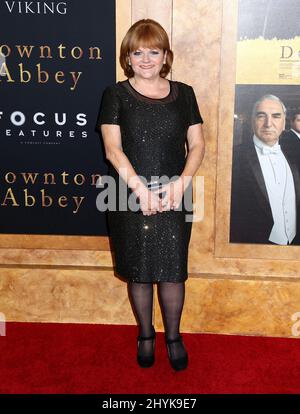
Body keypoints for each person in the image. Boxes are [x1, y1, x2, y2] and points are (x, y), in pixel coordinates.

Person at [97, 19, 205, 371]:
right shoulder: (115, 94)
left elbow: (198, 144)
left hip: (176, 193)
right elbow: (113, 150)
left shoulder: (184, 93)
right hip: (128, 194)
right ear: (127, 57)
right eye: (137, 52)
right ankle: (146, 335)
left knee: (173, 271)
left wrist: (182, 183)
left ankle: (173, 336)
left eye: (153, 51)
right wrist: (141, 191)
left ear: (165, 55)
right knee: (139, 271)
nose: (145, 59)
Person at [230, 94, 300, 245]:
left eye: (276, 116)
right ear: (252, 121)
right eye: (261, 116)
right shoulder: (234, 157)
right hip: (253, 248)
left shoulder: (295, 155)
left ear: (283, 123)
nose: (269, 123)